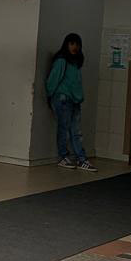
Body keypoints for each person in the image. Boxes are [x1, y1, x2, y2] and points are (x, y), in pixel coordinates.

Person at [46, 32, 95, 172]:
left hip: (74, 100)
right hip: (63, 99)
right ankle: (64, 156)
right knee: (66, 129)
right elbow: (53, 79)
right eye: (72, 44)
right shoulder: (62, 61)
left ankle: (81, 158)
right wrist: (50, 95)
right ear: (66, 44)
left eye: (77, 44)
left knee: (75, 131)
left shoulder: (75, 63)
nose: (75, 47)